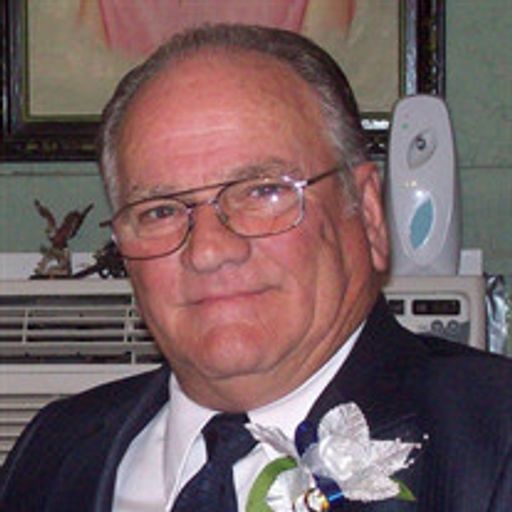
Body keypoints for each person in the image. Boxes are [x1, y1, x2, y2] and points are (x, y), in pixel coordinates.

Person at [1, 23, 512, 512]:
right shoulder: (54, 450)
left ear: (370, 215)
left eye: (263, 191)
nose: (208, 250)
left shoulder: (493, 442)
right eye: (159, 211)